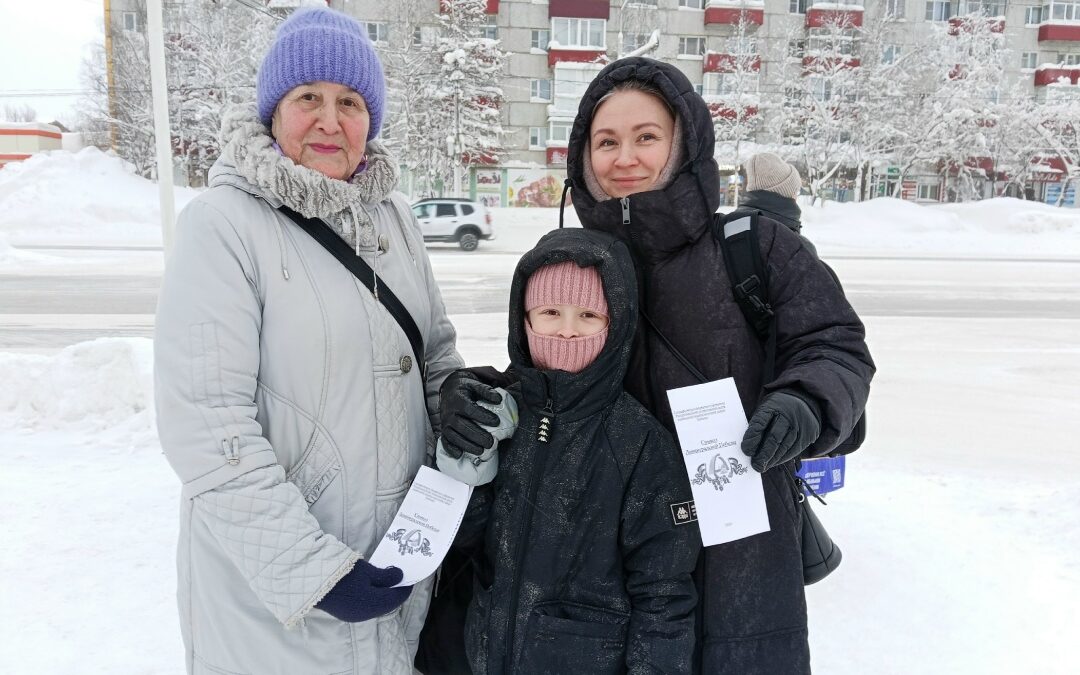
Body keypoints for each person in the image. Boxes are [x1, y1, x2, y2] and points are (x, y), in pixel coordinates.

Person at [439, 58, 875, 674]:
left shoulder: (755, 248)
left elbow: (835, 345)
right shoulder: (575, 261)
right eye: (606, 141)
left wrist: (803, 404)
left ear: (683, 143)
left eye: (647, 137)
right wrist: (472, 397)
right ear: (583, 156)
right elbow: (542, 376)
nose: (625, 158)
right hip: (603, 579)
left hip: (738, 554)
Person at [153, 8, 463, 674]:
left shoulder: (396, 221)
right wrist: (313, 571)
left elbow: (435, 350)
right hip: (275, 603)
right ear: (273, 111)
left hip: (394, 574)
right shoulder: (223, 226)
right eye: (308, 98)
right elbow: (207, 425)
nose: (330, 119)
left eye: (350, 101)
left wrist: (460, 399)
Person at [441, 227, 700, 674]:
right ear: (523, 318)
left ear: (614, 325)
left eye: (587, 316)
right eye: (549, 311)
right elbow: (465, 543)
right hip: (486, 654)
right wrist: (467, 469)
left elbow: (663, 592)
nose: (565, 331)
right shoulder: (502, 410)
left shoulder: (638, 442)